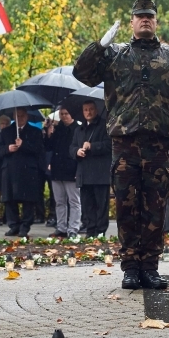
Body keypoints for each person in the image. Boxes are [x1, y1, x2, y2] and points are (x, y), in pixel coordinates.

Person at [73, 0, 169, 290]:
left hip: (158, 147)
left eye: (149, 16)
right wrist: (98, 47)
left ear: (156, 22)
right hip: (124, 146)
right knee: (127, 209)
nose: (145, 21)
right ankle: (130, 267)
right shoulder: (114, 54)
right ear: (131, 22)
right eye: (140, 16)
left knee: (155, 209)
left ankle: (150, 268)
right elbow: (82, 74)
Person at [0, 108, 45, 237]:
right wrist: (8, 148)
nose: (20, 118)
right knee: (9, 199)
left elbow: (38, 149)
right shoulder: (6, 132)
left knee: (28, 199)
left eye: (22, 116)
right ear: (13, 117)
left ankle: (25, 226)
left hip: (27, 170)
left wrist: (24, 144)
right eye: (17, 116)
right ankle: (14, 225)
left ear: (27, 116)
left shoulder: (35, 132)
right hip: (10, 170)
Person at [70, 101, 112, 238]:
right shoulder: (79, 130)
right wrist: (77, 151)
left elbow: (110, 146)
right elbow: (71, 148)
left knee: (101, 205)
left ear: (96, 110)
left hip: (100, 174)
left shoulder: (105, 126)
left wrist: (92, 146)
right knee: (87, 205)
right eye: (85, 110)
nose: (88, 112)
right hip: (85, 173)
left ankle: (100, 232)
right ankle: (90, 230)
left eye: (91, 109)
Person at [46, 107, 79, 237]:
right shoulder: (58, 129)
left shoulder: (78, 129)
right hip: (57, 168)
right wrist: (48, 133)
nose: (64, 116)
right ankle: (61, 227)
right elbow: (49, 147)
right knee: (59, 201)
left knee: (74, 201)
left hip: (71, 168)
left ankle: (73, 228)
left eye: (66, 114)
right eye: (62, 114)